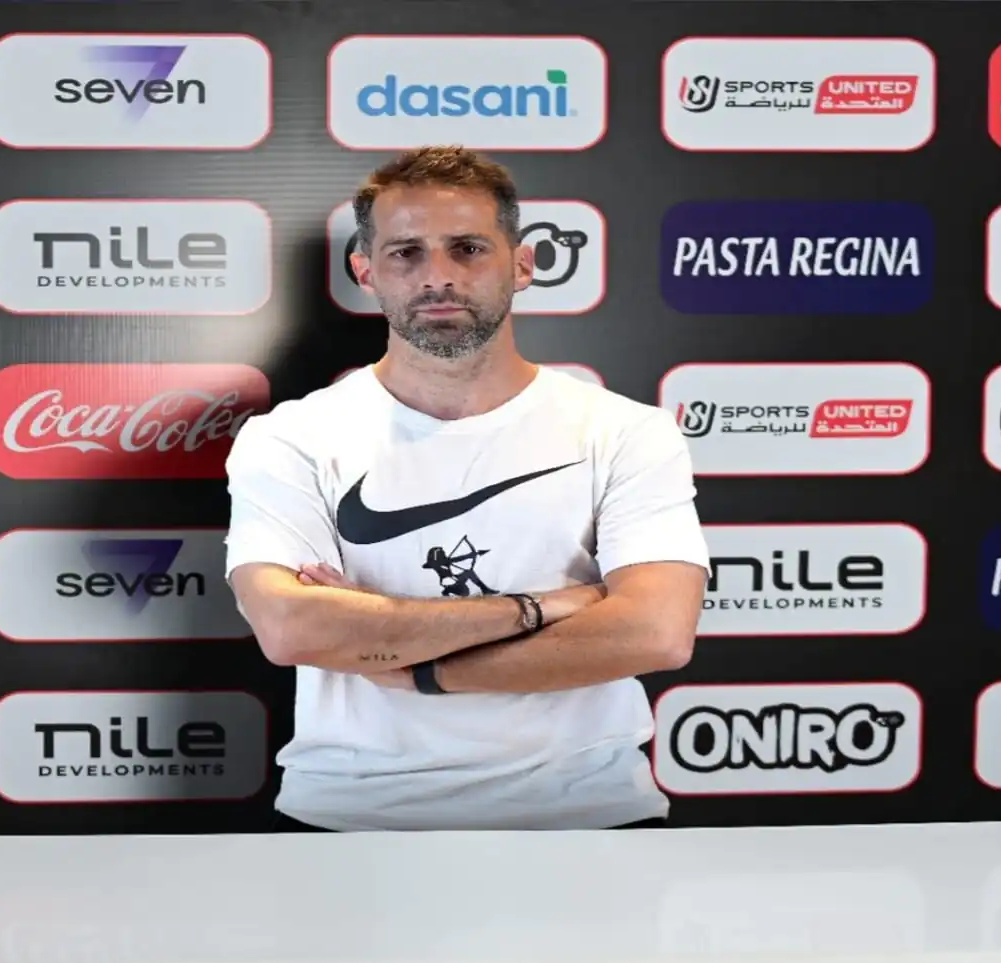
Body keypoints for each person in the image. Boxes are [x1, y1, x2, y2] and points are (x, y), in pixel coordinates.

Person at [223, 145, 710, 832]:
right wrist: (543, 608)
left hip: (587, 811)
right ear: (366, 272)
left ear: (523, 265)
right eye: (406, 253)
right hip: (353, 813)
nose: (439, 276)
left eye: (468, 248)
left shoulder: (625, 430)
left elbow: (654, 633)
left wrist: (418, 668)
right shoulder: (291, 436)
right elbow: (292, 627)